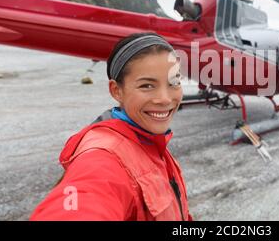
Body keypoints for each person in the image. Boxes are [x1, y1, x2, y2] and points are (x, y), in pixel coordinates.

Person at [30, 32, 192, 221]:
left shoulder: (151, 139)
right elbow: (87, 194)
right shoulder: (104, 156)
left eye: (174, 82)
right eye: (147, 86)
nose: (165, 99)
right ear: (116, 90)